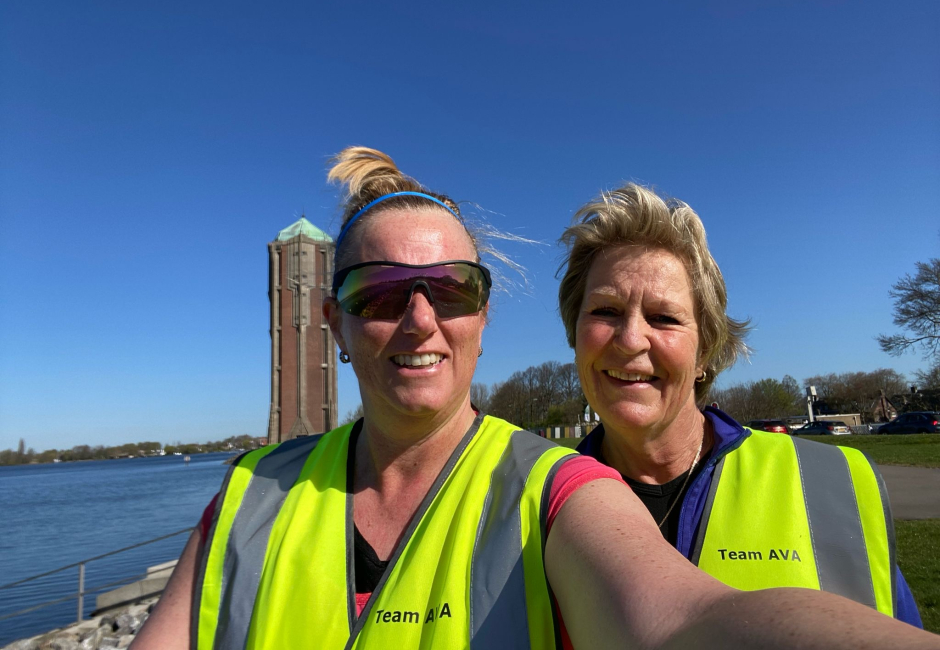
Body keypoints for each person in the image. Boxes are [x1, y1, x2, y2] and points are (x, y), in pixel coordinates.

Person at [135, 149, 939, 650]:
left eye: (451, 289)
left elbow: (677, 621)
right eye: (379, 293)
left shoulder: (554, 489)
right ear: (331, 321)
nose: (419, 315)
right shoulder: (245, 501)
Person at [557, 182, 923, 626]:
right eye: (605, 311)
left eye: (664, 318)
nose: (631, 339)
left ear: (705, 354)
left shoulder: (831, 488)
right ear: (575, 336)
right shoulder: (533, 502)